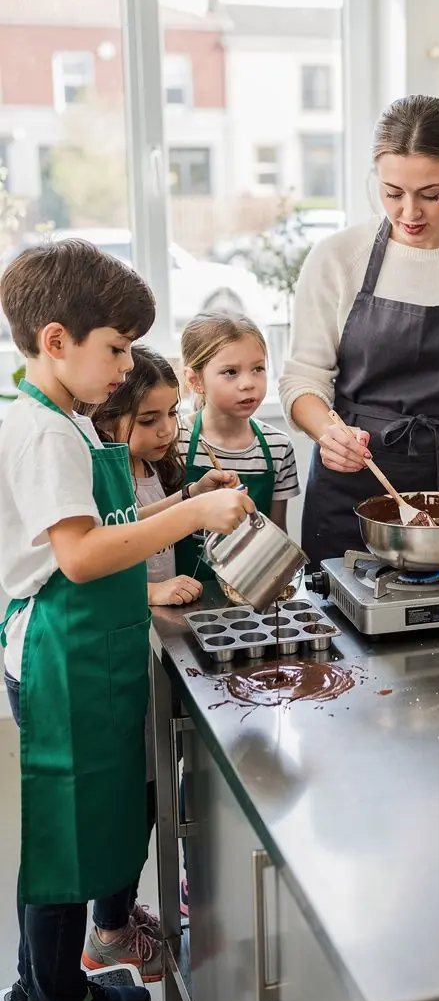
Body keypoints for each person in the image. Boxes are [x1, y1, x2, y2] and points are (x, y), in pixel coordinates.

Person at [0, 240, 253, 1001]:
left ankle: (55, 989)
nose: (122, 367)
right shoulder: (44, 432)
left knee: (77, 835)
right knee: (62, 846)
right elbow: (78, 557)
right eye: (115, 349)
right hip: (60, 652)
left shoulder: (67, 417)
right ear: (57, 340)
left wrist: (183, 499)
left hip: (86, 650)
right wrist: (192, 519)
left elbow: (104, 524)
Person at [279, 95, 439, 567]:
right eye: (393, 192)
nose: (410, 212)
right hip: (351, 492)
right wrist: (328, 433)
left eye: (430, 194)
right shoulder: (337, 259)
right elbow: (303, 379)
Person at [80, 344, 240, 968]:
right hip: (120, 653)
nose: (168, 429)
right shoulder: (100, 472)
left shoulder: (147, 468)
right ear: (107, 414)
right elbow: (103, 551)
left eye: (172, 414)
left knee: (149, 792)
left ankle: (116, 917)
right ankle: (108, 932)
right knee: (132, 802)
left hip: (149, 650)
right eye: (149, 419)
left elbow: (142, 520)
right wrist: (151, 592)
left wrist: (192, 494)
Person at [176, 312, 300, 579]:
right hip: (181, 591)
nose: (248, 384)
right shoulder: (174, 442)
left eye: (258, 369)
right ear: (195, 380)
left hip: (251, 589)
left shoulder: (278, 448)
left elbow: (277, 532)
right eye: (230, 372)